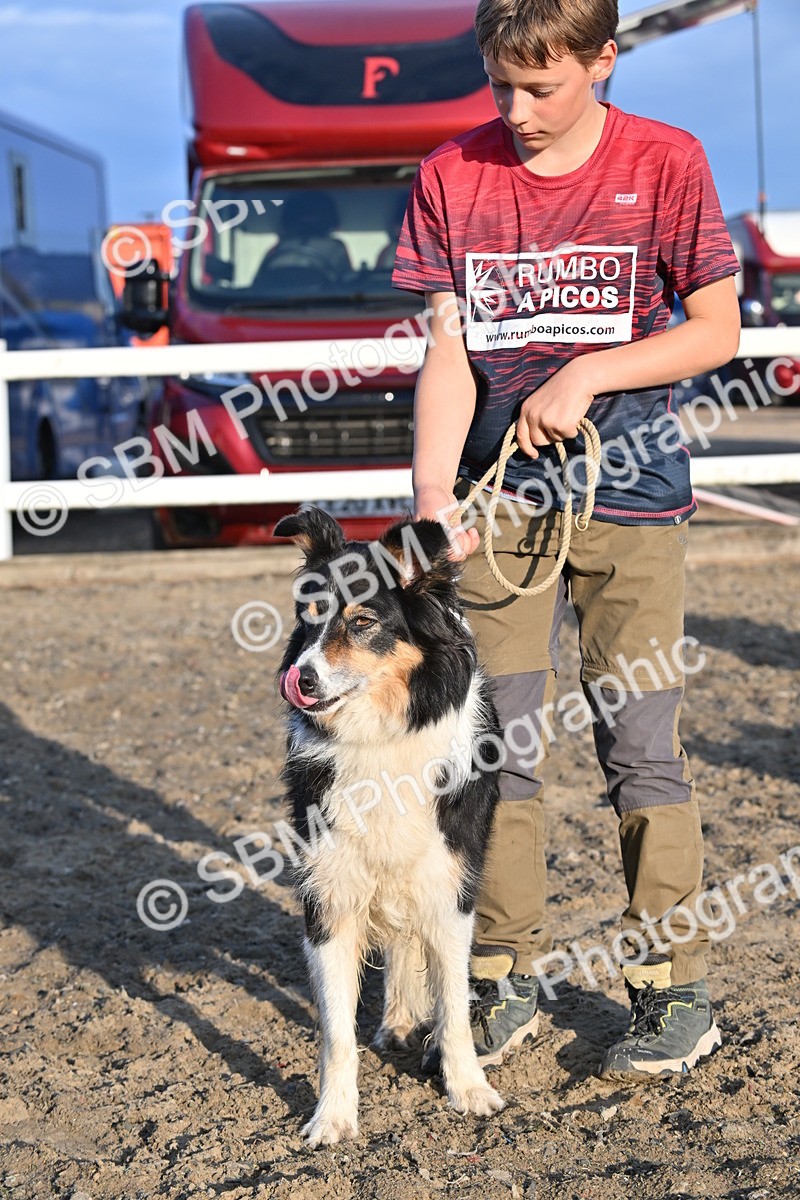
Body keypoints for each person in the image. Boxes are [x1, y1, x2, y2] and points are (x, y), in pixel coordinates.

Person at [391, 0, 741, 1079]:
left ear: (602, 60)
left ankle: (670, 989)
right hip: (499, 511)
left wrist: (587, 371)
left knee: (638, 745)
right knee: (497, 750)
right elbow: (447, 352)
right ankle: (499, 977)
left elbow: (715, 328)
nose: (518, 110)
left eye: (541, 85)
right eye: (500, 85)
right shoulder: (451, 174)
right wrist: (431, 493)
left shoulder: (666, 160)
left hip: (632, 499)